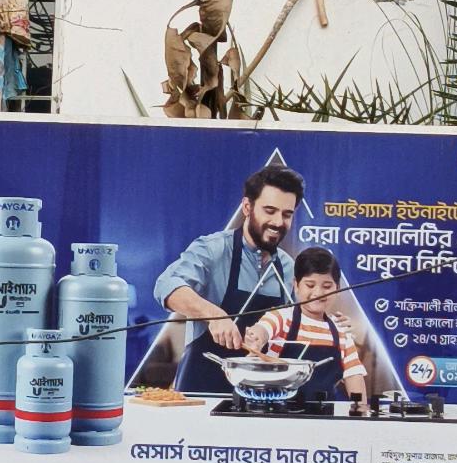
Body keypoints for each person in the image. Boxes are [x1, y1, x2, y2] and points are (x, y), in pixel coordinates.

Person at [153, 165, 304, 394]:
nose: (278, 222)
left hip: (260, 394)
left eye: (287, 214)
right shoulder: (213, 249)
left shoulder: (288, 267)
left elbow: (293, 324)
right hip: (202, 392)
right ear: (247, 207)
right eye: (269, 211)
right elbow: (166, 286)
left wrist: (327, 323)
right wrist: (214, 314)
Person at [245, 248, 368, 403]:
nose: (318, 293)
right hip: (277, 410)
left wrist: (361, 409)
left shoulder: (341, 331)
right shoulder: (282, 317)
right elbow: (263, 330)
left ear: (337, 289)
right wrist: (256, 338)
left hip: (324, 413)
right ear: (296, 286)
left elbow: (354, 375)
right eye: (310, 285)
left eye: (327, 286)